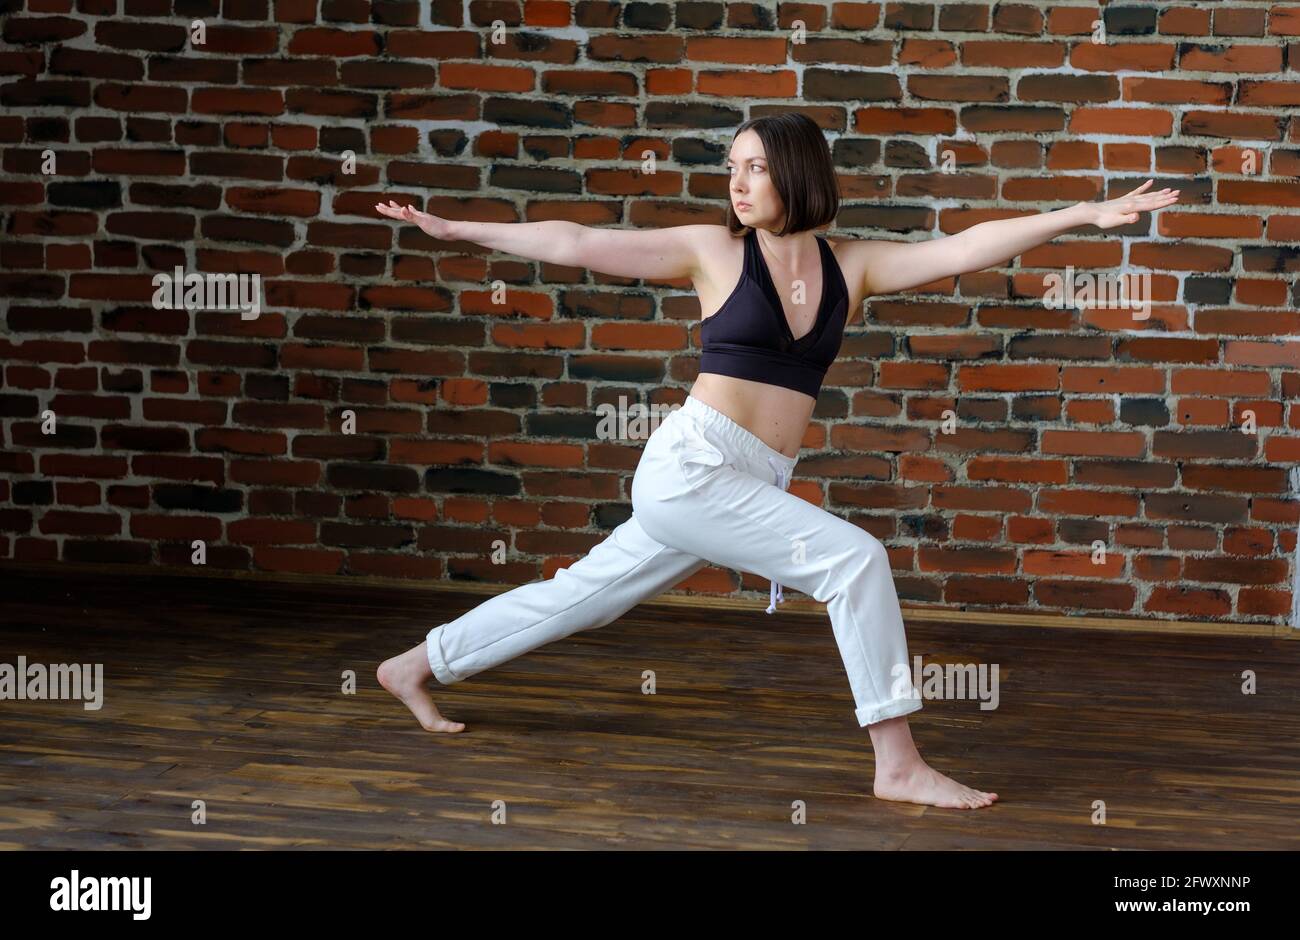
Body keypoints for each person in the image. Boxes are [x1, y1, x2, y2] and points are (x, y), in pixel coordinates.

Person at [373, 113, 1179, 809]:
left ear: (796, 173)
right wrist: (459, 229)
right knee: (855, 561)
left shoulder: (851, 266)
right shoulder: (711, 252)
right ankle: (897, 765)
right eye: (732, 168)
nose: (738, 183)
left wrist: (1080, 213)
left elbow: (965, 248)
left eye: (755, 167)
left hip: (747, 478)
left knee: (586, 597)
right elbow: (578, 242)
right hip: (691, 468)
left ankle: (416, 664)